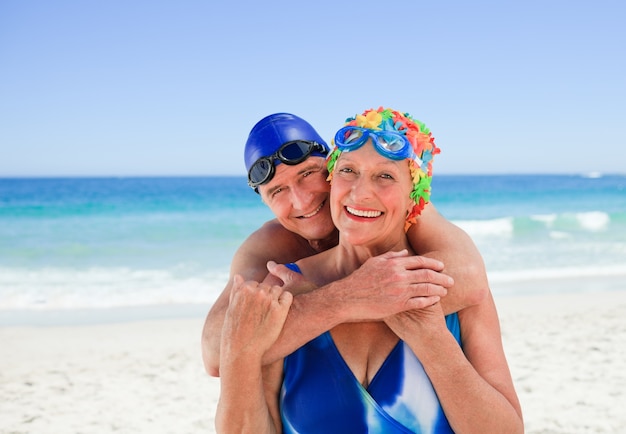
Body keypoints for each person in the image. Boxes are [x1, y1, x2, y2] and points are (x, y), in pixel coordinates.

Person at [216, 107, 523, 433]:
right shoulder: (283, 286)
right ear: (333, 181)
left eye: (386, 176)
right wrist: (344, 298)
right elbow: (218, 358)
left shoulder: (452, 286)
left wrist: (433, 340)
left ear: (414, 201)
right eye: (348, 171)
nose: (360, 192)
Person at [202, 113, 489, 377]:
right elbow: (216, 353)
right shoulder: (271, 246)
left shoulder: (400, 208)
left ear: (333, 168)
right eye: (278, 191)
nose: (302, 201)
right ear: (265, 202)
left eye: (307, 175)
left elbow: (471, 278)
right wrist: (346, 298)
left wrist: (301, 313)